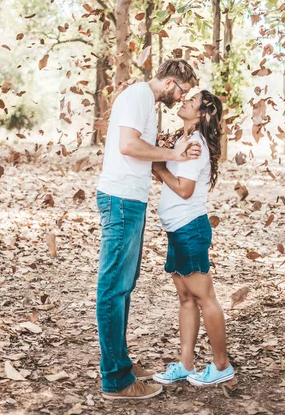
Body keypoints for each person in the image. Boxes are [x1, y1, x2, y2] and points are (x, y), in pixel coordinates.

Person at [95, 59, 201, 401]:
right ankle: (115, 380)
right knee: (113, 288)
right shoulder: (140, 94)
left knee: (124, 287)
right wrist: (174, 153)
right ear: (171, 83)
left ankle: (121, 364)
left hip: (131, 200)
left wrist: (174, 147)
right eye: (183, 91)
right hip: (121, 199)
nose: (181, 98)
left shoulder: (145, 101)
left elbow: (144, 150)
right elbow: (129, 146)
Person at [151, 90, 234, 387]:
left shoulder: (195, 144)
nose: (184, 101)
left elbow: (185, 189)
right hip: (177, 229)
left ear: (202, 113)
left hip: (189, 229)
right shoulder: (181, 140)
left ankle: (222, 365)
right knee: (186, 298)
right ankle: (186, 364)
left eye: (192, 101)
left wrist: (159, 167)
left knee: (204, 297)